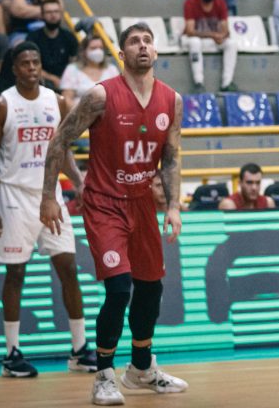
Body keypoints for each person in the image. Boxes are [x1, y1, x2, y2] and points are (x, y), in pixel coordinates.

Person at [39, 22, 188, 404]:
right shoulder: (100, 96)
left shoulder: (171, 100)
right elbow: (59, 141)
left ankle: (141, 369)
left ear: (156, 52)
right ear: (122, 54)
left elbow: (171, 156)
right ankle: (103, 374)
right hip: (104, 203)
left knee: (151, 288)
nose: (142, 46)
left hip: (143, 203)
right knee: (120, 288)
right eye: (134, 42)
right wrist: (49, 196)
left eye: (148, 41)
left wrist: (172, 205)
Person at [0, 42, 96, 378]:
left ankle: (79, 349)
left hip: (51, 195)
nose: (31, 67)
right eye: (25, 63)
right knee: (16, 273)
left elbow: (63, 149)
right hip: (14, 196)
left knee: (68, 268)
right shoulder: (2, 105)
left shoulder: (56, 101)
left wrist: (80, 182)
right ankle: (11, 354)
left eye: (36, 62)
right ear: (14, 69)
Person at [182, 0, 239, 92]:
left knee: (231, 44)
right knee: (195, 42)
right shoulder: (191, 3)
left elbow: (226, 29)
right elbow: (190, 31)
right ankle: (198, 83)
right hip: (193, 39)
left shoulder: (220, 3)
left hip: (211, 40)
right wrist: (213, 35)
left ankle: (227, 84)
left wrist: (222, 36)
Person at [29, 0, 79, 91]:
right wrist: (53, 78)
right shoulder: (33, 38)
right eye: (49, 12)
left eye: (56, 12)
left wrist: (66, 79)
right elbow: (31, 66)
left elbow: (76, 62)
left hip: (66, 80)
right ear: (42, 15)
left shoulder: (69, 37)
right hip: (41, 81)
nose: (53, 15)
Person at [60, 34, 119, 109]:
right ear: (84, 51)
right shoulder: (72, 70)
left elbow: (118, 95)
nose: (98, 51)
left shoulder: (112, 69)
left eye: (101, 48)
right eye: (93, 48)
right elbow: (67, 99)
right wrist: (82, 113)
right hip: (80, 113)